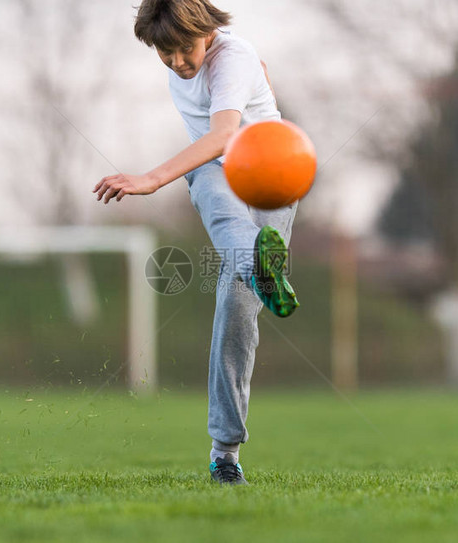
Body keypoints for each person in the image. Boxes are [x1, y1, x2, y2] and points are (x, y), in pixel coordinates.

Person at [93, 0, 299, 485]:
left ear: (206, 30)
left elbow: (226, 134)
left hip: (271, 169)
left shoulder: (232, 57)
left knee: (239, 295)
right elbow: (246, 85)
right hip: (215, 174)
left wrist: (152, 178)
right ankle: (225, 457)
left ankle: (255, 266)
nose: (180, 62)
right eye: (166, 54)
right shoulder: (201, 63)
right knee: (236, 282)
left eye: (186, 49)